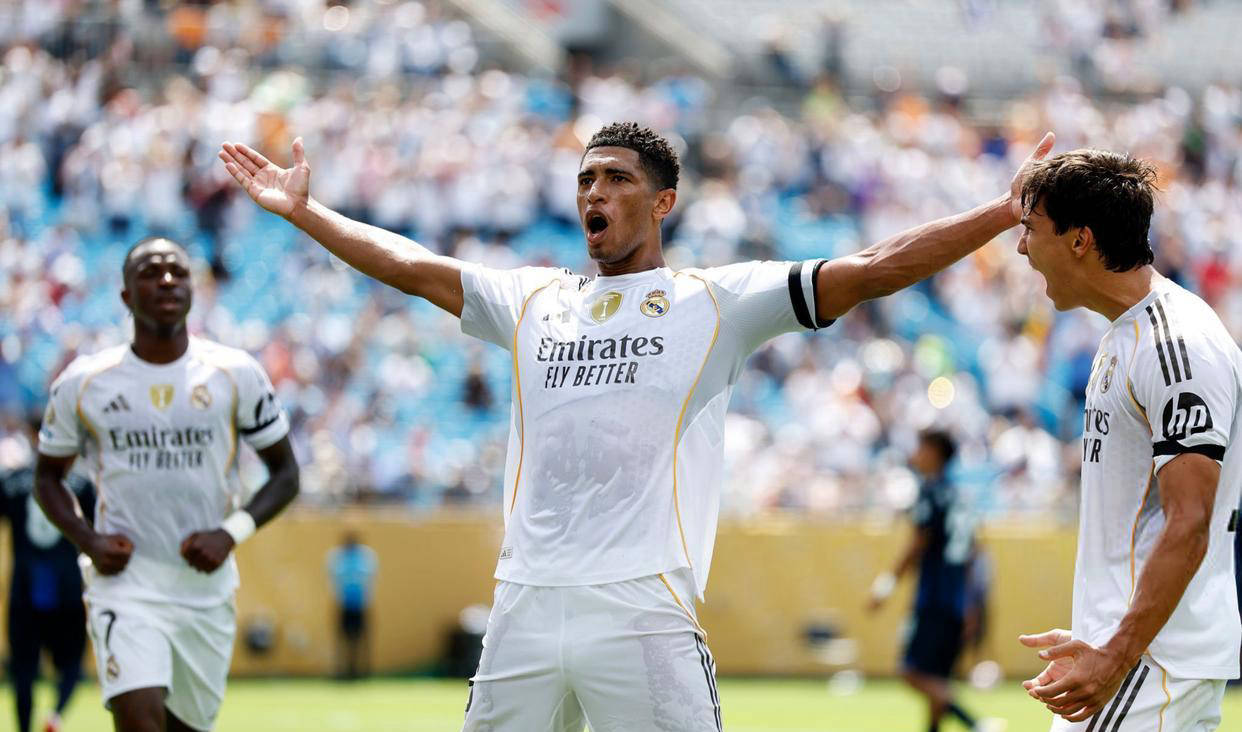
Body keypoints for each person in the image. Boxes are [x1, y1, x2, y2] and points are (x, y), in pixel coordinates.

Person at [219, 123, 1053, 730]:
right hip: (524, 602)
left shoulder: (716, 302)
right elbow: (410, 266)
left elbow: (870, 269)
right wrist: (307, 214)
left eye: (615, 179)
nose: (594, 193)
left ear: (663, 203)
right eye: (585, 179)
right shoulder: (532, 299)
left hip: (643, 605)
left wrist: (996, 214)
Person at [34, 237, 301, 732]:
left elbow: (286, 474)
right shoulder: (85, 382)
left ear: (193, 291)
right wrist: (88, 540)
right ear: (125, 295)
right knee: (139, 720)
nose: (167, 281)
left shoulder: (235, 373)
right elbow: (47, 479)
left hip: (204, 591)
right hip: (125, 584)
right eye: (150, 272)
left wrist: (230, 534)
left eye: (178, 272)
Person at [1015, 150, 1241, 729]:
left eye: (1031, 229)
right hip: (1138, 658)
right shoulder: (1126, 336)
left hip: (1149, 667)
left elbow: (1190, 521)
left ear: (1079, 240)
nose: (1020, 247)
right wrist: (1100, 629)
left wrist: (1116, 652)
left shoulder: (1175, 346)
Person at [868, 429, 982, 731]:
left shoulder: (929, 492)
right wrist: (971, 602)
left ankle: (975, 723)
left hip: (934, 597)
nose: (916, 455)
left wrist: (885, 586)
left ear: (935, 453)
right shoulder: (961, 496)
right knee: (938, 678)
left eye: (921, 448)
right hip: (957, 600)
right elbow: (972, 552)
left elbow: (918, 543)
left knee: (911, 672)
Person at [0, 415, 94, 732]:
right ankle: (55, 715)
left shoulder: (12, 480)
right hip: (66, 586)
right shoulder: (80, 483)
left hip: (25, 587)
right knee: (72, 664)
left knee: (23, 669)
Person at [327, 531, 378, 679]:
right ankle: (342, 670)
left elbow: (370, 579)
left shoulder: (365, 556)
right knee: (342, 640)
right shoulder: (338, 556)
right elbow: (333, 579)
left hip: (361, 605)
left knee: (361, 640)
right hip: (344, 605)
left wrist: (367, 599)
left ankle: (362, 671)